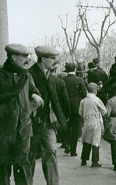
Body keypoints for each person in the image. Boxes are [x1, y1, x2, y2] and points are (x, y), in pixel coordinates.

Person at [0, 44, 44, 185]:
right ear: (14, 57)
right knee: (3, 167)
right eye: (24, 57)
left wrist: (34, 97)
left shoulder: (27, 77)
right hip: (3, 131)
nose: (27, 60)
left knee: (23, 165)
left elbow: (34, 91)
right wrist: (4, 110)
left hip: (23, 130)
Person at [28, 46, 70, 185]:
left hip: (48, 124)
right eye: (52, 58)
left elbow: (64, 104)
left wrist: (60, 118)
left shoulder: (55, 80)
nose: (55, 61)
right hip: (30, 124)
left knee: (51, 152)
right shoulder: (28, 75)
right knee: (29, 156)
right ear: (43, 59)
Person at [79, 82, 107, 168]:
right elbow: (104, 111)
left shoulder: (83, 100)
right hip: (95, 121)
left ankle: (84, 159)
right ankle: (95, 161)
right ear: (95, 91)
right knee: (95, 141)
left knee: (87, 140)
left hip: (87, 121)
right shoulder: (97, 100)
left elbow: (80, 112)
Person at [63, 62, 87, 156]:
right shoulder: (79, 80)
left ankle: (66, 145)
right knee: (75, 128)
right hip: (76, 107)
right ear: (75, 69)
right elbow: (84, 94)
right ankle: (73, 150)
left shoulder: (62, 80)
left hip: (65, 107)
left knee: (66, 126)